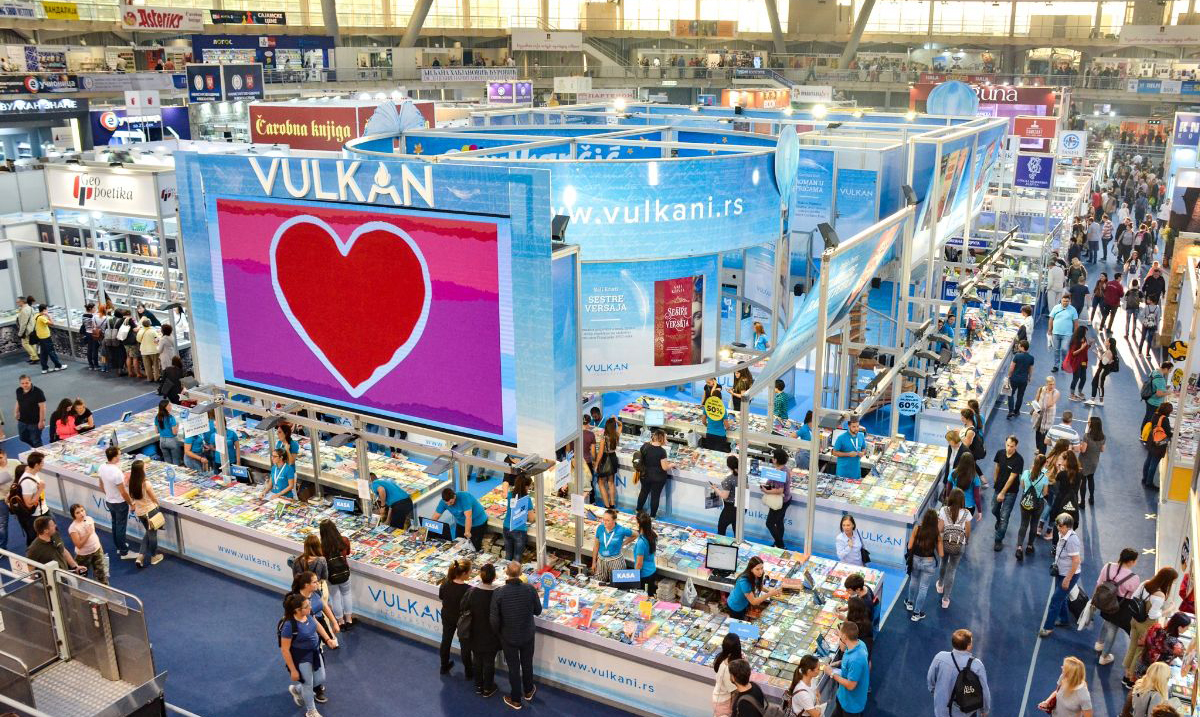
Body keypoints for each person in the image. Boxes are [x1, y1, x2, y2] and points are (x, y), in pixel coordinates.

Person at [490, 560, 541, 710]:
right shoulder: (530, 589)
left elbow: (494, 619)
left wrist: (499, 634)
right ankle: (528, 690)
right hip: (527, 634)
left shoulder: (499, 592)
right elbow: (538, 611)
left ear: (506, 572)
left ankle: (516, 699)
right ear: (521, 573)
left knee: (513, 668)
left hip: (508, 637)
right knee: (527, 663)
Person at [279, 592, 336, 717]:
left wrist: (328, 639)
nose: (310, 607)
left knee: (320, 679)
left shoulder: (308, 613)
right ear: (297, 610)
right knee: (308, 685)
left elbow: (317, 625)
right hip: (301, 657)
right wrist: (293, 670)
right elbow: (285, 650)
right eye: (307, 606)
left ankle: (297, 689)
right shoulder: (289, 626)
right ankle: (311, 711)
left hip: (315, 651)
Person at [1123, 567, 1179, 687]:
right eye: (1173, 581)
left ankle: (1125, 676)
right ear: (1167, 580)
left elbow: (1134, 597)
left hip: (1135, 620)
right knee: (1140, 651)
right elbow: (1153, 615)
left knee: (1132, 646)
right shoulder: (1160, 595)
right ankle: (1130, 679)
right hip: (1146, 625)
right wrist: (1169, 609)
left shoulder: (1146, 583)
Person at [927, 628, 991, 717]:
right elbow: (984, 691)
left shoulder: (940, 657)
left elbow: (930, 678)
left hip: (941, 709)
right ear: (968, 646)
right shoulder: (976, 665)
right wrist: (984, 710)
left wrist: (933, 690)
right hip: (965, 711)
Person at [1094, 547, 1139, 665]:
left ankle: (1099, 644)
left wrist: (1094, 600)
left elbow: (1099, 583)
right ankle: (1104, 657)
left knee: (1106, 621)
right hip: (1120, 605)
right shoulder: (1134, 578)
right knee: (1113, 628)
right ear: (1131, 561)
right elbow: (1132, 595)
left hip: (1105, 600)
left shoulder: (1108, 566)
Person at [1040, 513, 1083, 637]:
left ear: (1068, 527)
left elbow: (1076, 561)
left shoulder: (1072, 540)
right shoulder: (1062, 534)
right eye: (1057, 525)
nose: (1058, 527)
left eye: (1060, 526)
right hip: (1061, 571)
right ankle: (1064, 620)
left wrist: (1067, 579)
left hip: (1068, 575)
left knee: (1055, 600)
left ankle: (1048, 627)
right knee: (1061, 598)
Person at [465, 562, 501, 697]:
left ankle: (479, 685)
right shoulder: (497, 593)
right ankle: (488, 688)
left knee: (477, 659)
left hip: (475, 631)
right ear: (494, 577)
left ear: (481, 576)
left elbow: (465, 609)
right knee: (489, 661)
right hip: (491, 633)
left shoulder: (473, 592)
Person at [96, 445, 137, 561]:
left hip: (109, 501)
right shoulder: (116, 473)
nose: (120, 456)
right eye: (119, 454)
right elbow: (123, 492)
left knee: (115, 524)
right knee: (120, 527)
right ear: (114, 457)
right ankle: (124, 552)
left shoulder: (102, 467)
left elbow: (101, 485)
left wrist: (109, 495)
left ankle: (119, 546)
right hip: (119, 503)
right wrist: (131, 504)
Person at [823, 621, 869, 717]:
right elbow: (848, 660)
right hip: (843, 697)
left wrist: (831, 674)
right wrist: (837, 663)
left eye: (839, 632)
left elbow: (851, 685)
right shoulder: (859, 644)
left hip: (851, 704)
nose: (838, 633)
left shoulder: (856, 660)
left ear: (844, 637)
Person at [937, 487, 971, 610]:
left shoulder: (943, 510)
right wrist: (966, 541)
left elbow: (939, 529)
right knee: (952, 570)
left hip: (945, 543)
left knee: (943, 563)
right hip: (958, 546)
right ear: (962, 500)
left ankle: (940, 584)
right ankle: (945, 599)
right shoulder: (967, 513)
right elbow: (968, 531)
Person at [905, 508, 941, 621]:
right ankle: (916, 613)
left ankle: (910, 602)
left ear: (924, 518)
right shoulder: (936, 533)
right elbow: (941, 553)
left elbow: (909, 546)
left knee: (913, 580)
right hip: (929, 563)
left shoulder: (917, 529)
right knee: (923, 587)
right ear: (935, 521)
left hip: (915, 560)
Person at [438, 559, 472, 676]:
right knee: (465, 645)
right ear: (464, 573)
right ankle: (468, 671)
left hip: (447, 615)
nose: (471, 573)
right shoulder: (468, 590)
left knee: (446, 640)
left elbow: (441, 597)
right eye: (470, 572)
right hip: (462, 620)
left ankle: (444, 666)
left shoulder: (445, 584)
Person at [319, 520, 355, 631]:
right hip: (344, 572)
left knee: (335, 597)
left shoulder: (321, 547)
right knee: (346, 594)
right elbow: (347, 552)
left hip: (331, 575)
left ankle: (340, 622)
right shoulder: (344, 541)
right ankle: (349, 620)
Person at [991, 435, 1025, 550]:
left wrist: (1002, 493)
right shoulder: (1000, 453)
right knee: (994, 509)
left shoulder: (1018, 460)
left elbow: (1012, 478)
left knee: (1004, 517)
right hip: (998, 487)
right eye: (1008, 445)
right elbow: (997, 466)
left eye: (1012, 446)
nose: (1009, 448)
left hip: (1011, 492)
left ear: (1016, 446)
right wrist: (995, 480)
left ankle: (998, 540)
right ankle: (998, 520)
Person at [127, 460, 161, 568]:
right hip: (150, 511)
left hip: (140, 512)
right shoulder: (146, 484)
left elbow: (132, 497)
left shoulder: (131, 483)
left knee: (149, 532)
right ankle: (154, 556)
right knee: (152, 534)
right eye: (144, 467)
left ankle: (140, 556)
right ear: (141, 471)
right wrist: (157, 504)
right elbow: (154, 497)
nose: (146, 468)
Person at [636, 428, 675, 518]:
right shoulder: (662, 451)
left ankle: (638, 509)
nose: (666, 440)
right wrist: (672, 464)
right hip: (658, 477)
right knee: (655, 496)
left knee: (643, 492)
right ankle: (652, 516)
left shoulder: (645, 446)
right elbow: (664, 467)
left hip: (645, 475)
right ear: (661, 438)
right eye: (665, 438)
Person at [291, 570, 339, 640]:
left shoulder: (316, 591)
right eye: (314, 582)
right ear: (306, 585)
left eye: (317, 581)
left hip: (320, 620)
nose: (318, 583)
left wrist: (334, 622)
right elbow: (312, 621)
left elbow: (324, 606)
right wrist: (327, 639)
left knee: (330, 641)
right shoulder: (298, 600)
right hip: (308, 628)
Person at [67, 503, 108, 584]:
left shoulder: (89, 519)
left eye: (82, 510)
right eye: (77, 513)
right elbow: (79, 545)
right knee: (81, 576)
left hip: (97, 550)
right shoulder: (73, 528)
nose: (81, 514)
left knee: (102, 574)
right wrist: (88, 534)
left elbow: (93, 534)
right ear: (73, 515)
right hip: (83, 555)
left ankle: (106, 590)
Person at [590, 508, 633, 582]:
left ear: (614, 520)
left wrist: (624, 543)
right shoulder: (600, 528)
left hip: (615, 561)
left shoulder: (621, 529)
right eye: (603, 519)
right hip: (601, 561)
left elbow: (636, 534)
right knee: (598, 582)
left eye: (607, 520)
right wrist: (594, 562)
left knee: (616, 584)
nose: (605, 522)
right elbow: (596, 546)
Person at [763, 447, 794, 549]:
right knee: (779, 522)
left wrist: (766, 491)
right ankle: (778, 544)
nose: (772, 459)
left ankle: (780, 545)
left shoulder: (780, 473)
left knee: (769, 523)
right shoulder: (784, 469)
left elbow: (780, 490)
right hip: (786, 500)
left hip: (780, 501)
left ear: (776, 460)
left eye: (773, 457)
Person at [17, 453, 49, 546]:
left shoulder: (33, 473)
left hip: (43, 510)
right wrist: (40, 489)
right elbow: (29, 503)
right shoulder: (26, 482)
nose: (43, 465)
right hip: (36, 516)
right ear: (36, 465)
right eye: (42, 463)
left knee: (52, 533)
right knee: (35, 541)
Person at [502, 473, 533, 562]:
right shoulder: (527, 499)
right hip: (519, 530)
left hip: (506, 527)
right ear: (526, 487)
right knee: (517, 556)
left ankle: (507, 569)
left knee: (508, 555)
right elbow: (532, 519)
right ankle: (515, 570)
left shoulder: (510, 495)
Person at [593, 417, 621, 509]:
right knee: (611, 482)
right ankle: (612, 504)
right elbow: (621, 425)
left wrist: (596, 464)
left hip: (605, 460)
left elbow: (600, 453)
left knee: (601, 483)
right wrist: (616, 421)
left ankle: (607, 506)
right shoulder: (616, 435)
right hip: (613, 458)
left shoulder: (604, 437)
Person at [712, 633, 743, 717]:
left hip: (720, 698)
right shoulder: (727, 669)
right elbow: (735, 691)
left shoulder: (721, 658)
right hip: (725, 702)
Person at [1143, 403, 1173, 488]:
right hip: (1159, 443)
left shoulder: (1155, 415)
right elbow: (1168, 433)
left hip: (1151, 440)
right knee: (1154, 463)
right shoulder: (1164, 419)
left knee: (1148, 460)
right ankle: (1149, 483)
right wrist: (1178, 434)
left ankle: (1145, 478)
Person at [1077, 417, 1105, 506]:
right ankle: (1092, 498)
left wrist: (1080, 445)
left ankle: (1082, 502)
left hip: (1084, 462)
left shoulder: (1087, 436)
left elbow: (1083, 450)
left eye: (1089, 422)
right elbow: (1102, 450)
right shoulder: (1103, 437)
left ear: (1093, 425)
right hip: (1094, 461)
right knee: (1091, 479)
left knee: (1083, 481)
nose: (1088, 423)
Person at [711, 455, 740, 537]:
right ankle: (737, 542)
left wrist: (715, 488)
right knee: (736, 528)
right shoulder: (743, 476)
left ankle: (721, 542)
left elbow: (724, 496)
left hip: (730, 507)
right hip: (740, 505)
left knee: (721, 527)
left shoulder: (729, 479)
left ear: (728, 466)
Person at [13, 374, 45, 448]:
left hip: (34, 422)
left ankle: (40, 453)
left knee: (36, 441)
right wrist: (16, 412)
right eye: (22, 383)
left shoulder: (38, 392)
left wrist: (41, 421)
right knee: (22, 438)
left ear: (30, 382)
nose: (25, 385)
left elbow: (42, 408)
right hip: (22, 421)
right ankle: (34, 448)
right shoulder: (18, 390)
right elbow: (18, 401)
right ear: (20, 383)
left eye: (27, 383)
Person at [1006, 340, 1035, 419]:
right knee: (1020, 395)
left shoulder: (1017, 356)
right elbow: (1030, 369)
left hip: (1014, 378)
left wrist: (1009, 375)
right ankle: (1016, 411)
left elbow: (1011, 368)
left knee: (1010, 394)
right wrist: (1029, 377)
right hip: (1023, 380)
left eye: (1019, 345)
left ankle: (1010, 411)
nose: (1018, 346)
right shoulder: (1031, 358)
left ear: (1022, 347)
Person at [1049, 296, 1079, 370]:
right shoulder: (1056, 308)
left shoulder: (1073, 310)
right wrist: (1049, 330)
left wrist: (1075, 334)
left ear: (1069, 302)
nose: (1065, 303)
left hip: (1067, 334)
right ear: (1061, 301)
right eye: (1064, 301)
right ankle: (1056, 365)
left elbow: (1076, 323)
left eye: (1067, 301)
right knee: (1056, 350)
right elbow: (1051, 319)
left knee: (1064, 349)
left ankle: (1064, 364)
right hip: (1056, 333)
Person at [633, 511, 658, 596]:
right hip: (652, 570)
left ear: (638, 524)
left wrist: (634, 577)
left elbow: (639, 564)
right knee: (650, 595)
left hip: (644, 575)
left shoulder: (641, 542)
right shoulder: (652, 535)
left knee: (643, 597)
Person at [1087, 336, 1118, 406]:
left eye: (1107, 340)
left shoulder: (1109, 352)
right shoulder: (1109, 351)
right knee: (1094, 383)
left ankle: (1100, 402)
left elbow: (1104, 362)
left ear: (1109, 343)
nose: (1105, 341)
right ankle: (1092, 399)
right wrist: (1101, 352)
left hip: (1102, 370)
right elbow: (1105, 360)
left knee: (1099, 385)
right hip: (1102, 370)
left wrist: (1097, 354)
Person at [1032, 376, 1060, 451]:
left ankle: (1042, 453)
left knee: (1043, 437)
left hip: (1047, 419)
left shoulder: (1056, 393)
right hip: (1039, 416)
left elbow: (1049, 404)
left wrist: (1050, 393)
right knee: (1037, 434)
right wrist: (1035, 409)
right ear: (1046, 383)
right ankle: (1038, 448)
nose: (1052, 386)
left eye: (1053, 384)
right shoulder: (1041, 389)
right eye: (1050, 384)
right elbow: (1036, 400)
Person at [33, 304, 64, 373]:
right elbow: (52, 323)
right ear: (44, 310)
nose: (47, 311)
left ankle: (44, 368)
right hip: (45, 337)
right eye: (46, 309)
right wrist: (48, 315)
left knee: (43, 353)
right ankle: (58, 366)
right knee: (51, 352)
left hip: (40, 337)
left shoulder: (36, 315)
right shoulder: (42, 318)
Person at [1064, 325, 1090, 401]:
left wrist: (1089, 345)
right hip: (1076, 362)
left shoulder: (1084, 339)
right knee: (1076, 378)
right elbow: (1073, 353)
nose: (1086, 333)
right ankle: (1072, 394)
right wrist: (1081, 348)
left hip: (1083, 362)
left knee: (1083, 378)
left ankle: (1080, 392)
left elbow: (1085, 349)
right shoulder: (1075, 341)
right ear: (1081, 332)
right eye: (1085, 332)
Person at [1142, 360, 1172, 427]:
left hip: (1149, 398)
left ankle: (1143, 431)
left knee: (1147, 416)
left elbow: (1155, 385)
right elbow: (1159, 394)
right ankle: (1145, 432)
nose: (1170, 372)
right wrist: (1168, 393)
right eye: (1170, 370)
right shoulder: (1160, 379)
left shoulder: (1154, 372)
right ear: (1166, 369)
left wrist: (1164, 387)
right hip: (1154, 403)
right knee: (1150, 420)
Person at [705, 387, 734, 453]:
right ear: (720, 398)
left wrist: (709, 426)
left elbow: (703, 421)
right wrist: (730, 422)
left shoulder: (707, 407)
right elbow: (727, 426)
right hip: (720, 436)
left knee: (709, 453)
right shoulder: (723, 409)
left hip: (709, 434)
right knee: (718, 455)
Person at [154, 400, 182, 466]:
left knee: (167, 461)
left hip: (162, 441)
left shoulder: (157, 417)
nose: (171, 406)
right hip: (171, 441)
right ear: (165, 407)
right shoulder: (171, 418)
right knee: (176, 461)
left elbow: (157, 431)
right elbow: (174, 432)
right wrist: (177, 426)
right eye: (169, 405)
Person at [136, 318, 162, 383]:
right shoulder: (153, 331)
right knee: (156, 365)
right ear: (150, 323)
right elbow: (157, 339)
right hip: (153, 350)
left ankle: (150, 378)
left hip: (144, 350)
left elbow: (138, 340)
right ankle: (157, 378)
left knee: (147, 365)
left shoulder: (140, 331)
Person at [15, 296, 38, 364]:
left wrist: (20, 333)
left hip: (26, 330)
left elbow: (23, 323)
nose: (17, 303)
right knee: (32, 343)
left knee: (25, 343)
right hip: (32, 328)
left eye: (18, 302)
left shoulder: (24, 311)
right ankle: (33, 357)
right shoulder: (30, 308)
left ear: (22, 302)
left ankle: (35, 357)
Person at [1139, 295, 1162, 359]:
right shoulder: (1157, 308)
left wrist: (1144, 319)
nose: (1147, 300)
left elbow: (1141, 315)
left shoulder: (1146, 307)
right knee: (1149, 340)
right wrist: (1157, 328)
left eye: (1148, 299)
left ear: (1151, 301)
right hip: (1153, 325)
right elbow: (1158, 318)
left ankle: (1140, 352)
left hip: (1145, 324)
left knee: (1143, 338)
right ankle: (1147, 354)